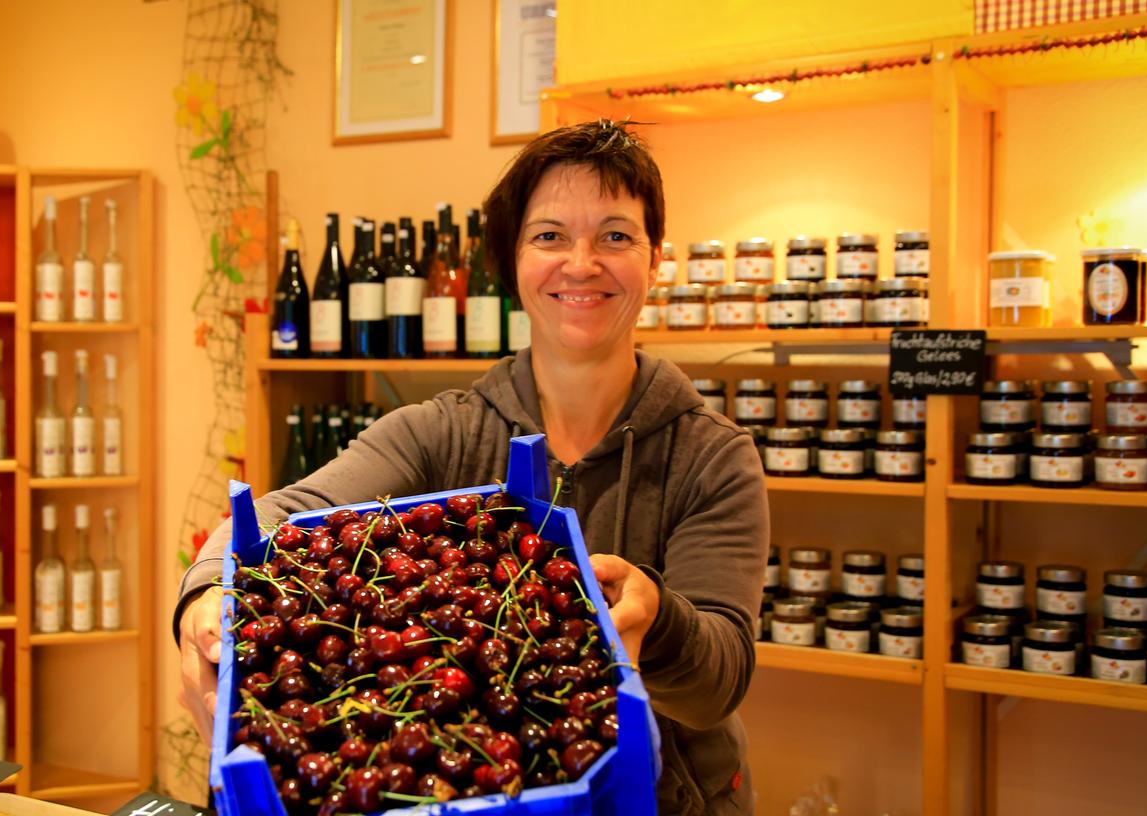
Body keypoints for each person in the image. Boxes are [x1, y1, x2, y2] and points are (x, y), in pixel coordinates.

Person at [175, 120, 769, 815]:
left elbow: (720, 678)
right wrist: (201, 601)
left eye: (615, 235)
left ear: (655, 258)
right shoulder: (438, 434)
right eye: (549, 236)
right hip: (466, 788)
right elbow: (279, 515)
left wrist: (659, 620)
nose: (581, 263)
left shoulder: (712, 455)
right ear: (512, 258)